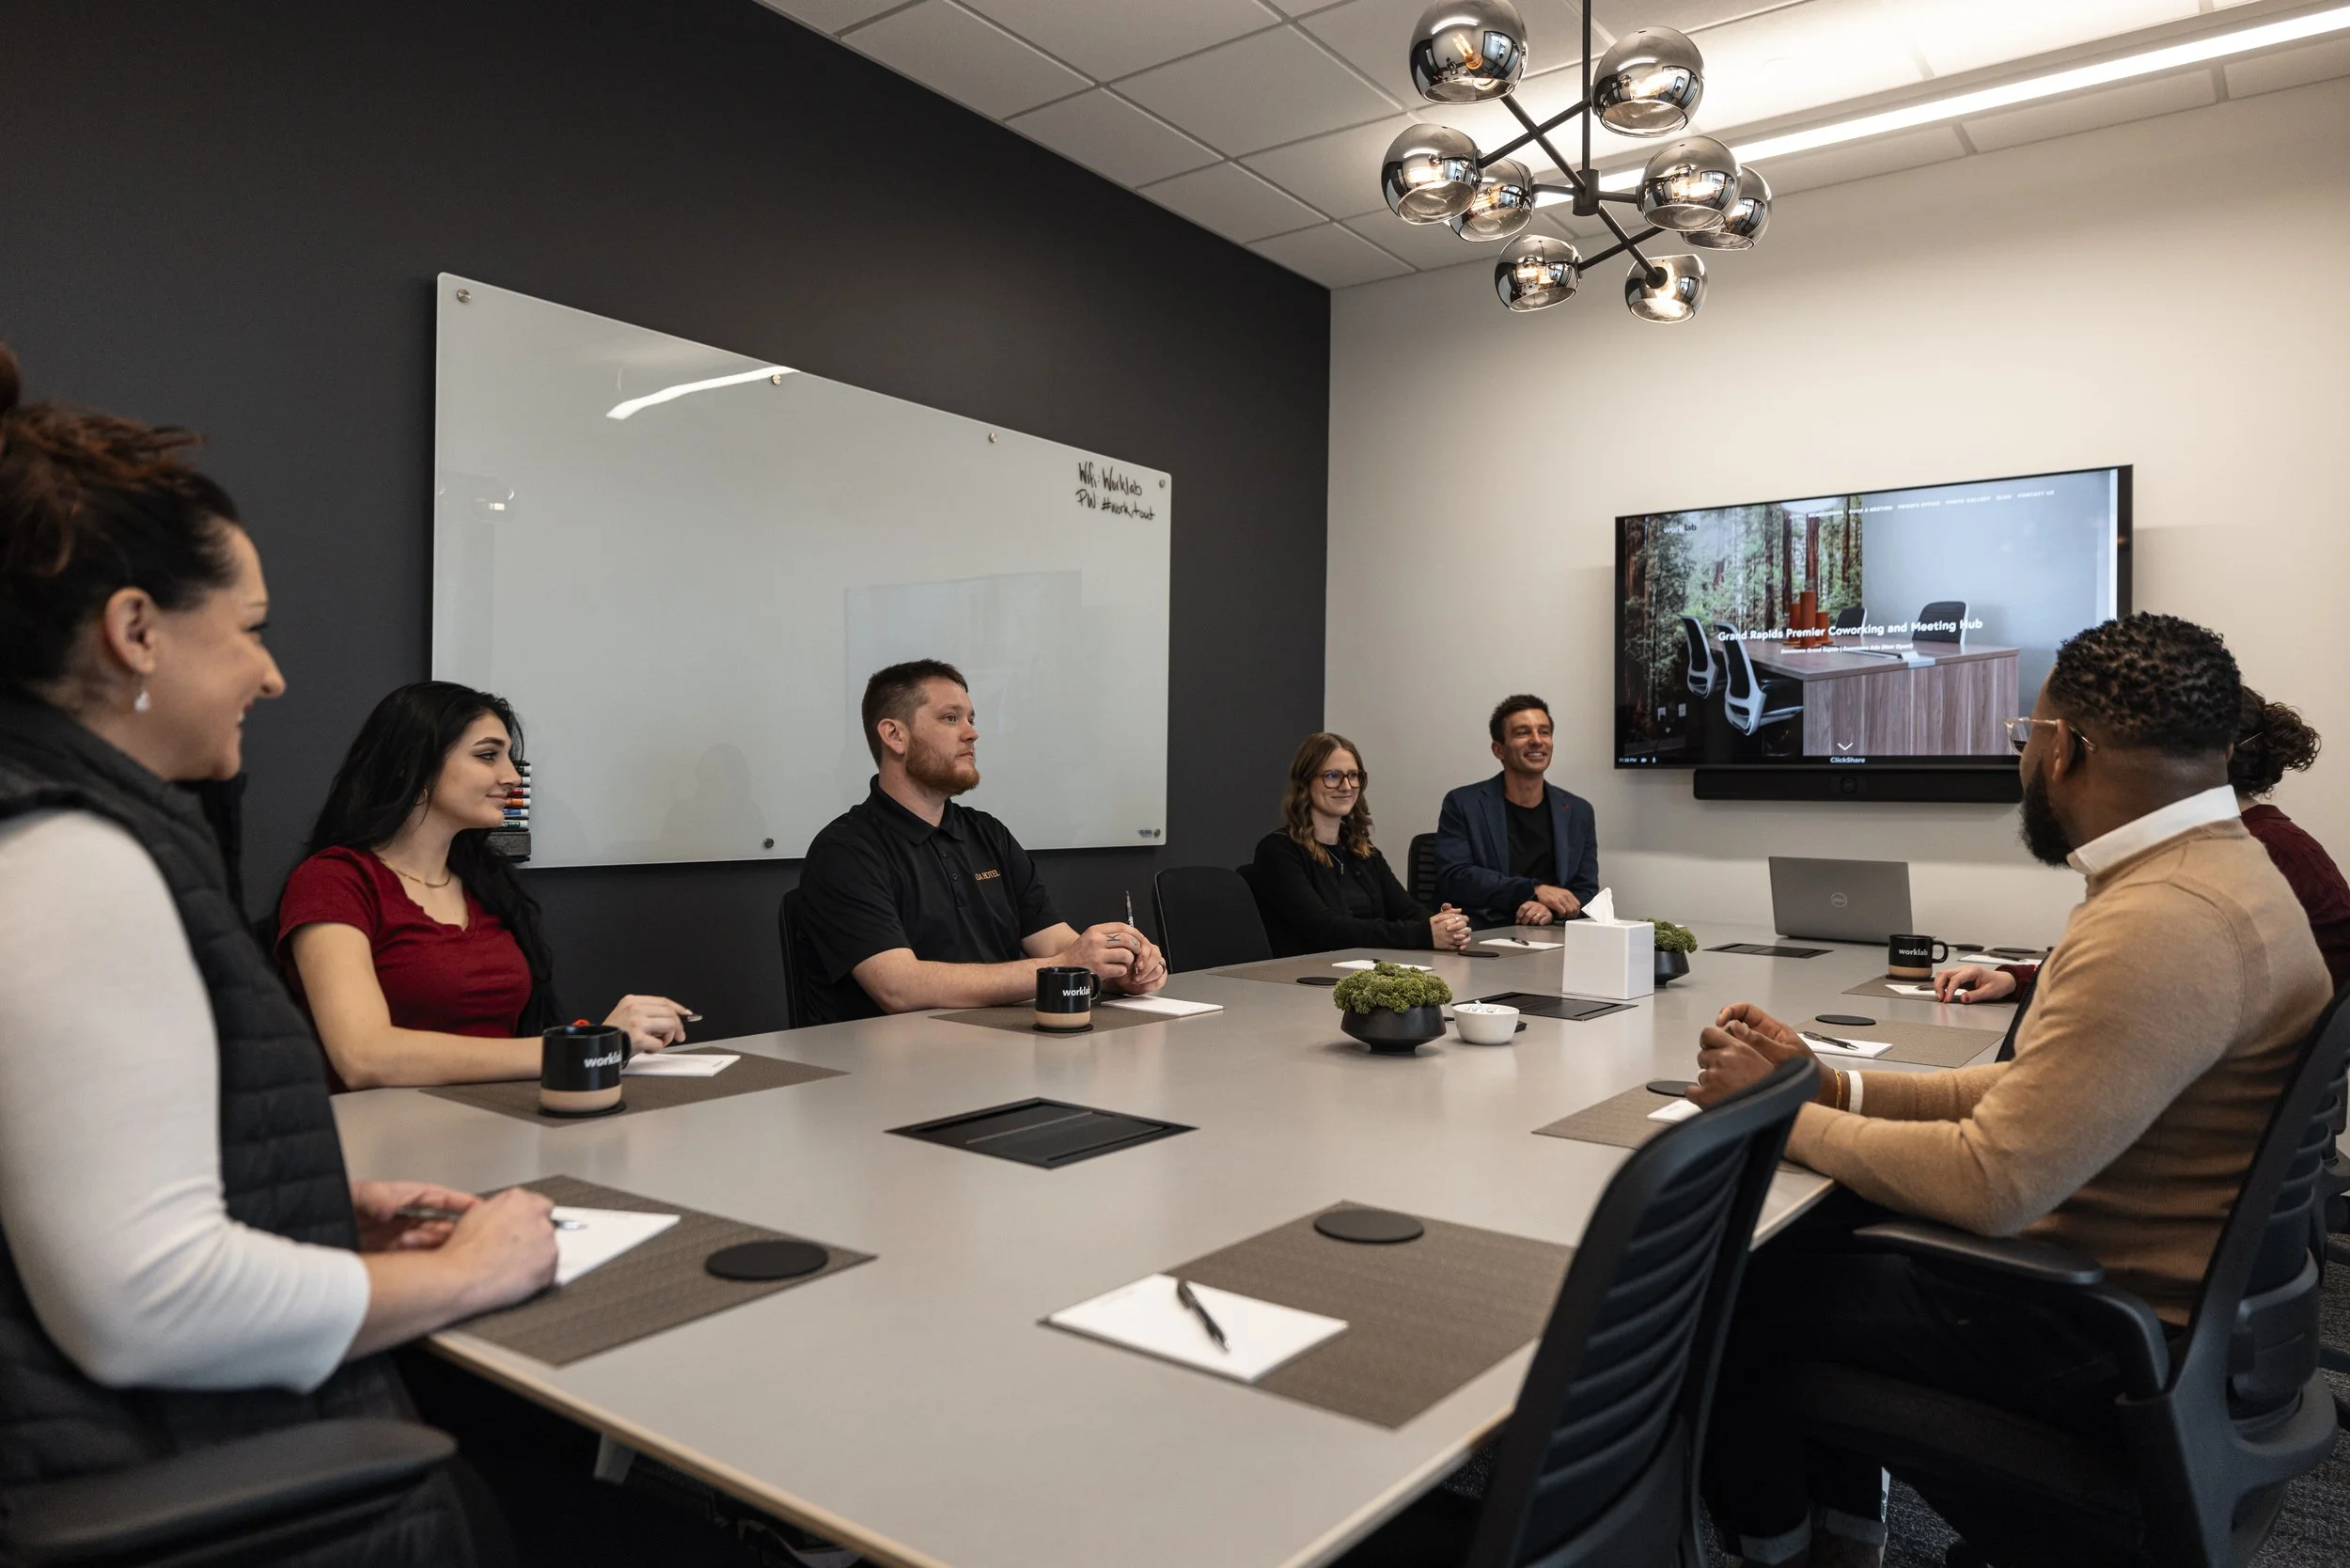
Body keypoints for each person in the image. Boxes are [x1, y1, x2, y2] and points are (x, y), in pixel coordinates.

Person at [0, 345, 555, 1558]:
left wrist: (296, 1205)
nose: (271, 672)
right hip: (221, 1481)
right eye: (249, 630)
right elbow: (148, 1310)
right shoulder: (72, 858)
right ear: (135, 630)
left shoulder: (63, 827)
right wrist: (478, 1267)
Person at [1684, 613, 2331, 1568]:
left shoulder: (2164, 920)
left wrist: (1781, 1116)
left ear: (2067, 748)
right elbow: (2019, 1093)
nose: (2020, 757)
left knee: (1717, 1282)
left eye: (2022, 736)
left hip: (2089, 1334)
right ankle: (1838, 1533)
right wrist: (1827, 1085)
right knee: (1813, 1229)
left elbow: (1995, 1181)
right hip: (2142, 1305)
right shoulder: (2222, 874)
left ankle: (1771, 1547)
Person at [278, 682, 693, 1089]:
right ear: (412, 763)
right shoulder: (331, 881)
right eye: (487, 755)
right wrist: (589, 1046)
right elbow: (364, 1057)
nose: (511, 776)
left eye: (508, 758)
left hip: (501, 1128)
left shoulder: (488, 886)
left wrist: (597, 1045)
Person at [794, 659, 1167, 1025]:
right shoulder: (845, 851)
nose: (972, 733)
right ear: (894, 735)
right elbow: (899, 987)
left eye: (971, 719)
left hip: (1001, 1051)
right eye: (950, 718)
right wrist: (1067, 966)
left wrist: (1118, 967)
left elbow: (1058, 945)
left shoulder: (989, 835)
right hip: (893, 1072)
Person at [1250, 732, 1471, 956]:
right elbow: (1324, 929)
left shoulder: (1363, 851)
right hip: (1307, 975)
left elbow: (1407, 909)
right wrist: (1422, 933)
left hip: (1367, 968)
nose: (1346, 786)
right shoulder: (1278, 851)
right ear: (1305, 782)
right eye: (1333, 775)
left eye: (1354, 776)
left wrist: (1446, 925)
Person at [1434, 694, 1599, 929]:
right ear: (1498, 749)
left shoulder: (1578, 811)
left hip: (1552, 934)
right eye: (1523, 732)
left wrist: (1548, 909)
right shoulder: (1463, 804)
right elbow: (1456, 877)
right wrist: (1533, 891)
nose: (1537, 740)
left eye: (1544, 732)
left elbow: (1586, 890)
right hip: (1483, 933)